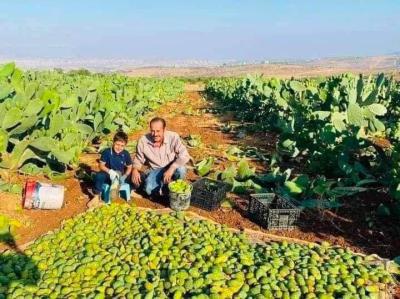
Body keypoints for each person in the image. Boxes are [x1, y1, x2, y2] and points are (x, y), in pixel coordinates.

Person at [132, 117, 190, 198]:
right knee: (149, 189)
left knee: (181, 170)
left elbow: (185, 155)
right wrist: (135, 169)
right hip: (156, 169)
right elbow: (139, 158)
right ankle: (163, 185)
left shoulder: (173, 137)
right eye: (152, 131)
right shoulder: (143, 141)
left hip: (171, 166)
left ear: (164, 129)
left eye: (158, 131)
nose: (155, 134)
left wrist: (172, 168)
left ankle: (174, 187)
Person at [87, 131, 133, 208]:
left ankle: (130, 191)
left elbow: (129, 167)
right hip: (108, 175)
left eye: (122, 146)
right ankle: (96, 196)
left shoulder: (125, 153)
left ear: (125, 146)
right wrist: (110, 171)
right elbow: (101, 166)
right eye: (117, 144)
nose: (119, 147)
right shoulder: (107, 152)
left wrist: (125, 176)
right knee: (99, 175)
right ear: (113, 142)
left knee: (135, 175)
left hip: (119, 176)